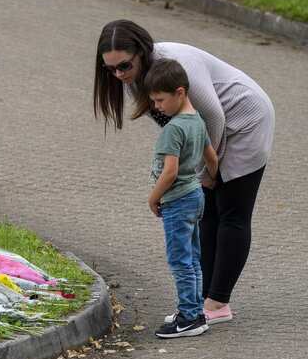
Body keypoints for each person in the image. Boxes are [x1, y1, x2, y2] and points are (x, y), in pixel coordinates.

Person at [93, 20, 275, 325]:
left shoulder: (175, 66)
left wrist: (206, 169)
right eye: (110, 69)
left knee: (232, 212)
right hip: (210, 128)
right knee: (207, 212)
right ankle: (202, 300)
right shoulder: (134, 77)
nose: (119, 75)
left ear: (142, 51)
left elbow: (212, 118)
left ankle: (216, 304)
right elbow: (177, 125)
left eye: (124, 66)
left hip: (244, 120)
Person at [144, 59, 218, 338]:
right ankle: (195, 310)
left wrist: (153, 198)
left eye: (160, 100)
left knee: (180, 260)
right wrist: (211, 178)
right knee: (193, 257)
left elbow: (169, 171)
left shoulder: (173, 129)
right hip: (195, 195)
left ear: (180, 92)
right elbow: (211, 157)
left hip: (177, 200)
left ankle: (189, 317)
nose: (157, 107)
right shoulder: (197, 120)